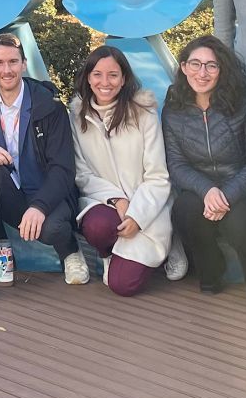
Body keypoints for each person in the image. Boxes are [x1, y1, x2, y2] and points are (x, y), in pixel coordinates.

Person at [0, 34, 80, 310]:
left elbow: (64, 168)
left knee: (52, 229)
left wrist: (39, 206)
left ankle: (70, 250)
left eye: (13, 61)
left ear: (24, 64)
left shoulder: (49, 106)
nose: (7, 69)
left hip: (48, 195)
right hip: (11, 193)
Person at [163, 36, 246, 297]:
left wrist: (225, 195)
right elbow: (176, 162)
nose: (202, 73)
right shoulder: (174, 106)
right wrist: (207, 190)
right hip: (200, 188)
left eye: (211, 66)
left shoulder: (243, 103)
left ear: (222, 70)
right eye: (195, 64)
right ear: (184, 67)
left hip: (240, 186)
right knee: (185, 209)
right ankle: (209, 270)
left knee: (239, 223)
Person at [71, 46, 173, 297]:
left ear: (124, 78)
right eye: (97, 74)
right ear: (87, 77)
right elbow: (82, 174)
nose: (104, 82)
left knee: (122, 285)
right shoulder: (77, 116)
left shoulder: (144, 114)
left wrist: (136, 215)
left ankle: (171, 243)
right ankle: (108, 253)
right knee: (97, 227)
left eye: (113, 75)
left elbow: (158, 176)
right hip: (104, 202)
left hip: (147, 209)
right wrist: (117, 199)